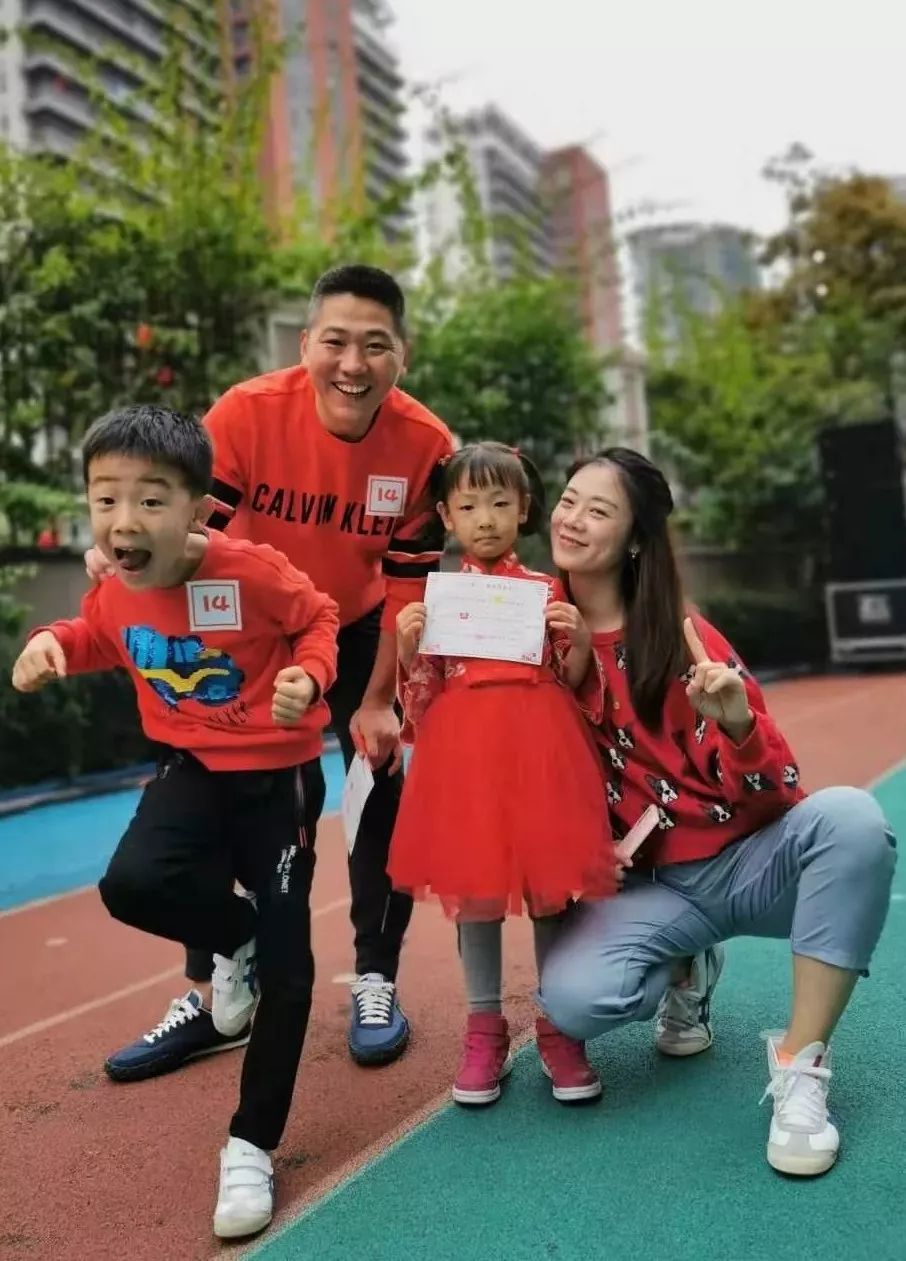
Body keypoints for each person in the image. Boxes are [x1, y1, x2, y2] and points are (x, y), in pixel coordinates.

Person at [87, 265, 455, 1080]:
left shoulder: (426, 443)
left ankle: (375, 978)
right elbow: (186, 535)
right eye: (335, 342)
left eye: (375, 346)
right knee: (212, 780)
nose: (352, 364)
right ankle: (219, 986)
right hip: (245, 622)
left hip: (355, 623)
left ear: (404, 355)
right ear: (306, 343)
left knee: (380, 782)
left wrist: (379, 699)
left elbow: (409, 584)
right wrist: (123, 555)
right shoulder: (246, 414)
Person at [11, 405, 340, 1238]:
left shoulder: (251, 572)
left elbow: (318, 617)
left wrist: (308, 675)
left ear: (199, 509)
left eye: (151, 500)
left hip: (277, 777)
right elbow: (100, 633)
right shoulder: (117, 586)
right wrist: (54, 643)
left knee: (292, 970)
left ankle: (251, 1143)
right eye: (106, 499)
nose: (125, 520)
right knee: (132, 883)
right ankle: (239, 939)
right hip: (191, 766)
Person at [536, 447, 896, 1176]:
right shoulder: (534, 632)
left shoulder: (685, 641)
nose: (572, 519)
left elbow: (779, 792)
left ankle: (800, 1067)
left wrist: (736, 723)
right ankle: (687, 965)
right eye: (569, 500)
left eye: (599, 510)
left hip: (748, 865)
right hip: (651, 890)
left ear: (635, 540)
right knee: (573, 1001)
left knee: (853, 821)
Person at [390, 442, 619, 1107]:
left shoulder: (547, 590)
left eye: (499, 503)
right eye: (468, 506)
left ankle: (559, 1023)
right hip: (466, 761)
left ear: (523, 508)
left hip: (542, 752)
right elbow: (423, 696)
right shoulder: (438, 598)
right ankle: (483, 1030)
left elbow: (576, 682)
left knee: (550, 891)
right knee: (477, 893)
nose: (485, 518)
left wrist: (578, 644)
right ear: (446, 516)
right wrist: (408, 648)